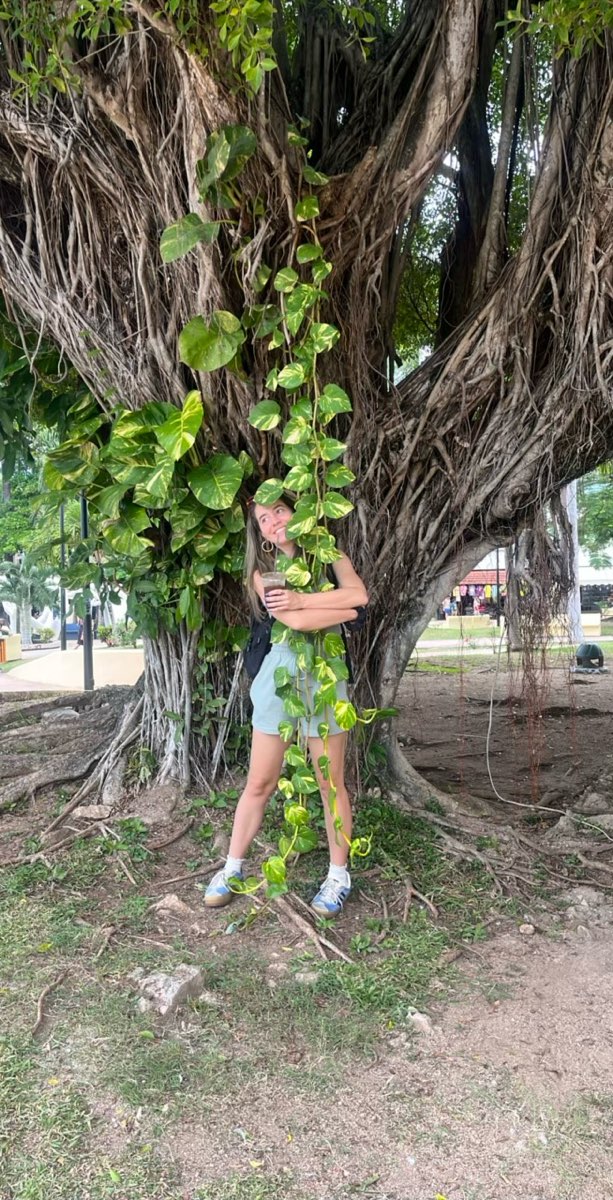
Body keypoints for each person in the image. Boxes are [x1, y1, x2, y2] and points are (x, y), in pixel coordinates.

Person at [204, 495, 368, 917]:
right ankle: (233, 868)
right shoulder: (264, 570)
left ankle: (338, 876)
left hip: (327, 678)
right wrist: (335, 606)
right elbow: (296, 621)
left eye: (279, 510)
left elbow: (360, 596)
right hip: (279, 677)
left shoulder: (330, 556)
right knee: (260, 782)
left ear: (297, 510)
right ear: (258, 531)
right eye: (263, 519)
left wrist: (304, 601)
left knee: (330, 783)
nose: (273, 521)